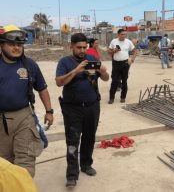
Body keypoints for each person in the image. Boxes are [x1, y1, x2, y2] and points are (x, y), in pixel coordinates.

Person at [55, 33, 109, 188]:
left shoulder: (93, 59)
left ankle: (86, 164)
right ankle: (72, 175)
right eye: (79, 47)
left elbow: (106, 79)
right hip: (72, 108)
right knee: (72, 141)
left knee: (89, 137)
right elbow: (59, 82)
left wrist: (103, 71)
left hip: (92, 106)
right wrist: (76, 71)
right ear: (71, 46)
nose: (82, 50)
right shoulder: (65, 62)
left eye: (85, 47)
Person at [0, 25, 54, 177]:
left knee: (25, 164)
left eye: (20, 44)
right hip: (1, 121)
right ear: (2, 45)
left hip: (24, 117)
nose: (16, 48)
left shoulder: (30, 65)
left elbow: (42, 89)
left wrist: (49, 111)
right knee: (4, 165)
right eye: (12, 44)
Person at [107, 29, 137, 104]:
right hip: (116, 63)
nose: (124, 36)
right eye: (122, 34)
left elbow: (135, 51)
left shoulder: (128, 42)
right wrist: (114, 51)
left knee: (124, 81)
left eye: (125, 34)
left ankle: (123, 97)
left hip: (125, 64)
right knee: (114, 81)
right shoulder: (114, 41)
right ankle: (111, 98)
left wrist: (132, 60)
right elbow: (108, 52)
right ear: (118, 34)